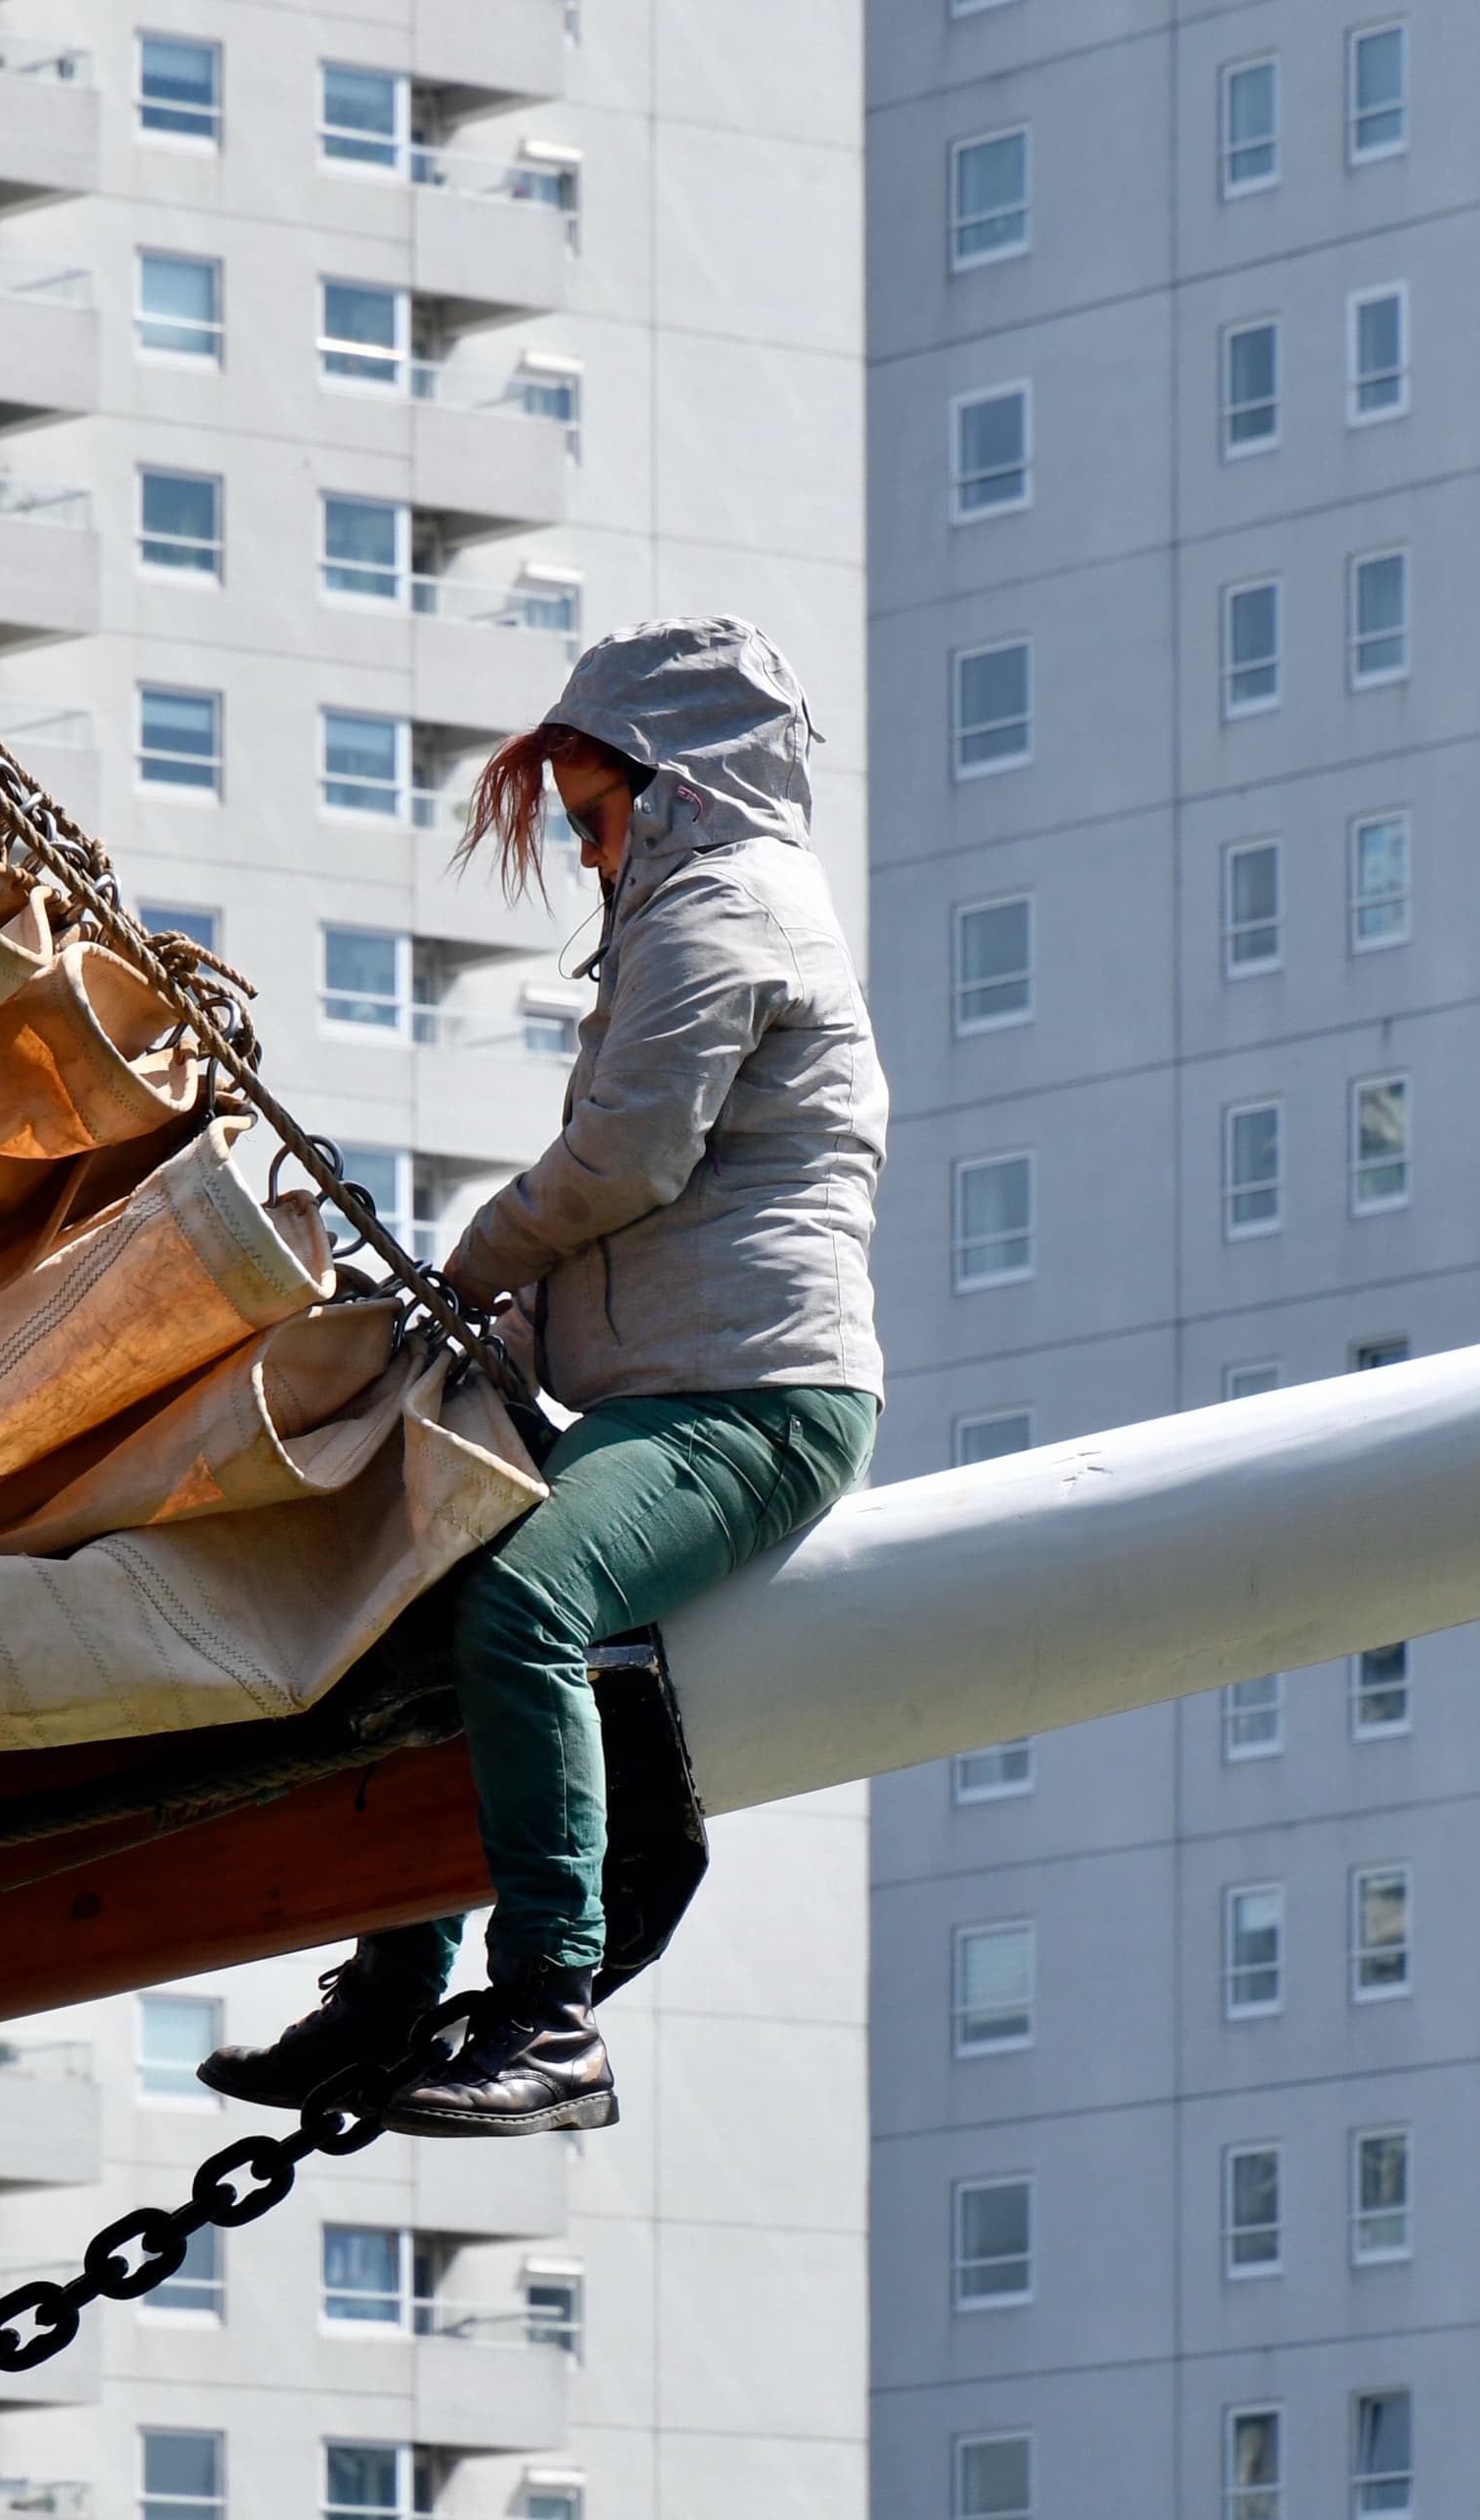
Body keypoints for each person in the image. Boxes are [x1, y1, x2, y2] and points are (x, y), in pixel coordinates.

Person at [201, 617, 889, 2136]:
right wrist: (501, 1328)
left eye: (591, 816)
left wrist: (474, 1262)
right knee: (448, 1586)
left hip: (757, 1405)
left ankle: (548, 2015)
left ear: (677, 785)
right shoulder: (695, 912)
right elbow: (646, 1209)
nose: (584, 853)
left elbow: (629, 1159)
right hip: (682, 1386)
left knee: (523, 1602)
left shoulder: (724, 910)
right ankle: (394, 1991)